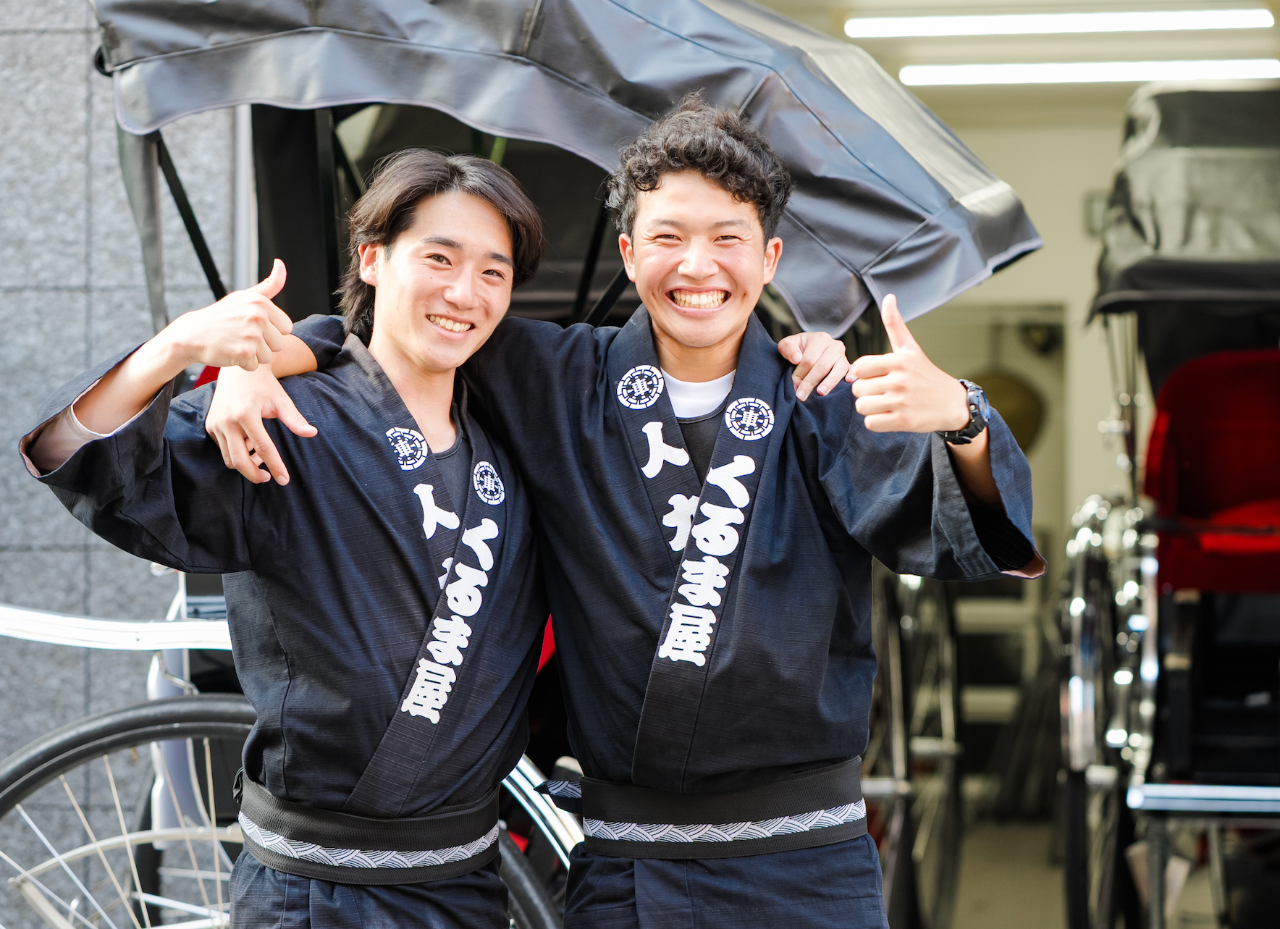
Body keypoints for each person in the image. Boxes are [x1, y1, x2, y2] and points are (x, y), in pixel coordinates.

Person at [210, 98, 1044, 929]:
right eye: (669, 238)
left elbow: (950, 538)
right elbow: (406, 330)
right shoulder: (557, 377)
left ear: (770, 256)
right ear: (629, 250)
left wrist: (963, 418)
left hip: (806, 867)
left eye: (728, 240)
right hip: (627, 871)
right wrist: (266, 358)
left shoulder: (818, 394)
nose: (698, 267)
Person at [20, 150, 555, 927]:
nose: (462, 293)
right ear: (372, 258)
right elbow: (80, 457)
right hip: (315, 894)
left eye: (492, 273)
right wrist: (183, 348)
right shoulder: (283, 419)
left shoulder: (513, 428)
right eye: (438, 259)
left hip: (466, 882)